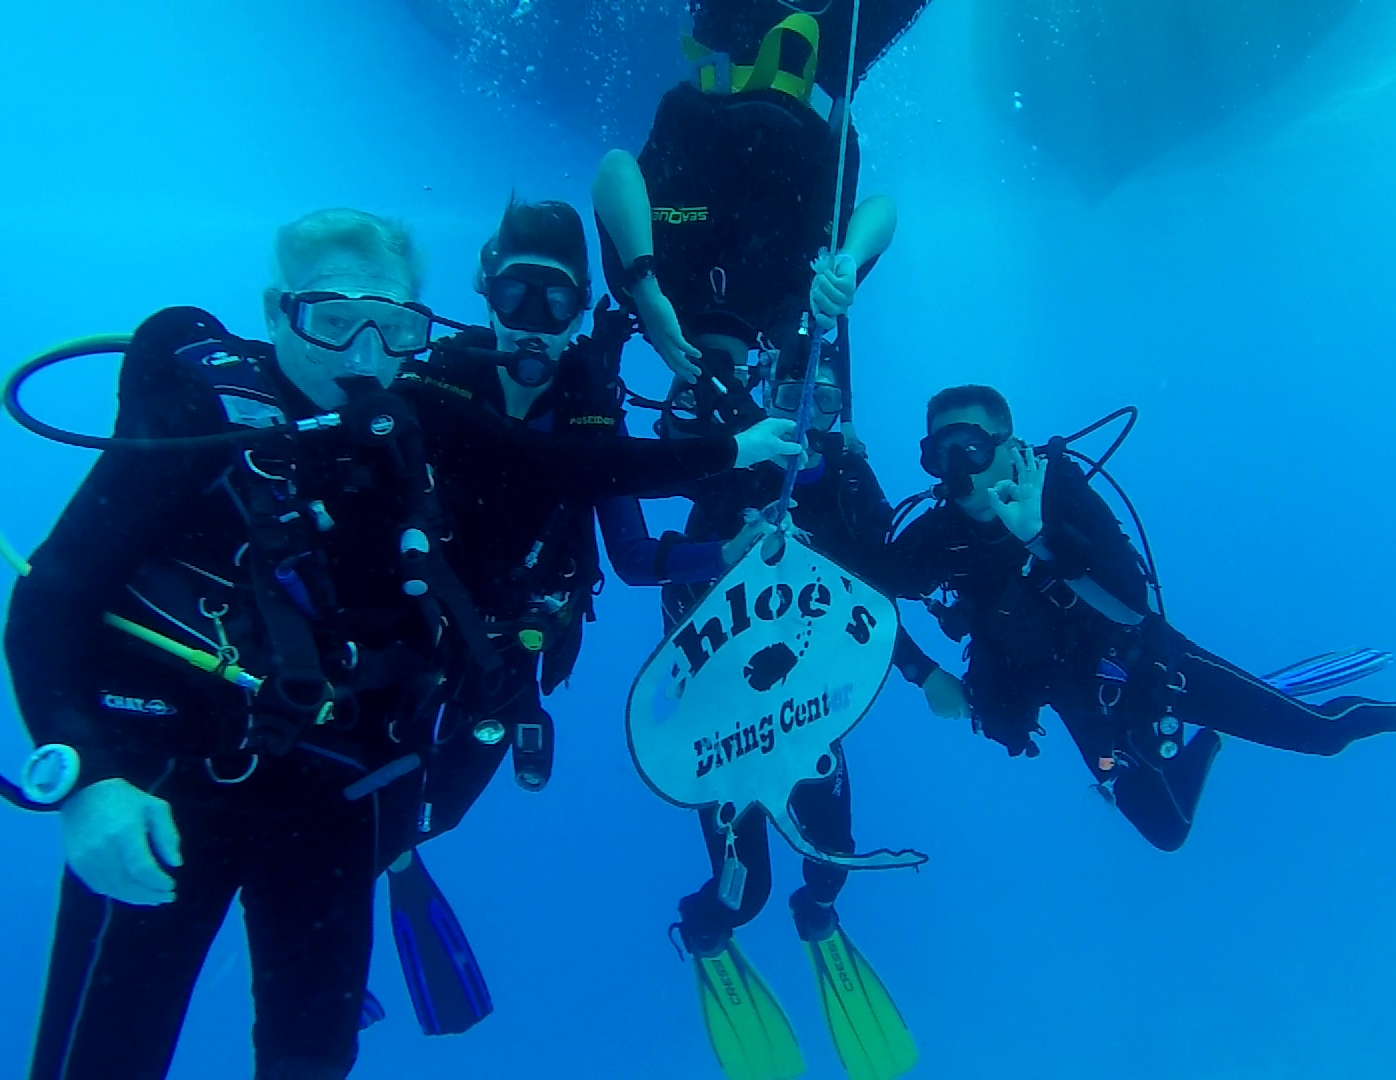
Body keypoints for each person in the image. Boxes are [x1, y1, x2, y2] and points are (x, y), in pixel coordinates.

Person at [4, 207, 802, 1079]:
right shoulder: (197, 422)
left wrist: (735, 448)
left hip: (335, 798)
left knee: (312, 1056)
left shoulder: (410, 418)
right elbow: (50, 601)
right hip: (172, 789)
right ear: (278, 312)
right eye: (333, 318)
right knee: (105, 1057)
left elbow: (570, 468)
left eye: (391, 326)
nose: (362, 351)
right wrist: (88, 778)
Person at [888, 384, 1396, 853]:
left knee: (1322, 736)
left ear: (1008, 445)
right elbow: (856, 597)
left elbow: (1132, 610)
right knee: (1166, 832)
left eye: (970, 446)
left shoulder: (1061, 495)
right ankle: (1208, 738)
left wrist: (1038, 541)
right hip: (1072, 695)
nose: (957, 468)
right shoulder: (933, 536)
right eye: (938, 453)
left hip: (1147, 666)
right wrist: (924, 674)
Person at [370, 198, 773, 1036]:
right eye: (515, 294)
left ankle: (395, 857)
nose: (531, 321)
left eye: (555, 301)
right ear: (485, 292)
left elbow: (634, 558)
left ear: (582, 308)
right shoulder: (436, 386)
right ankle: (360, 872)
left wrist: (725, 555)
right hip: (408, 635)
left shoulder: (591, 412)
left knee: (439, 810)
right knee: (364, 785)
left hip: (510, 657)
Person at [658, 355, 949, 1080]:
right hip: (721, 725)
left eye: (822, 397)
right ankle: (707, 928)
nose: (806, 411)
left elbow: (870, 601)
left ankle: (816, 915)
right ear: (767, 395)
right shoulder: (734, 472)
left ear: (839, 406)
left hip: (801, 713)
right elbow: (674, 592)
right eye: (791, 394)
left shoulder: (849, 481)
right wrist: (733, 555)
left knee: (833, 854)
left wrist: (924, 672)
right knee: (745, 892)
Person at [591, 2, 914, 439]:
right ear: (747, 406)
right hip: (828, 58)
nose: (704, 395)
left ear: (663, 405)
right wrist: (849, 263)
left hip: (732, 31)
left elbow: (614, 170)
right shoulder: (794, 313)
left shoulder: (645, 295)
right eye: (718, 415)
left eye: (686, 411)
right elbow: (882, 210)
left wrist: (646, 289)